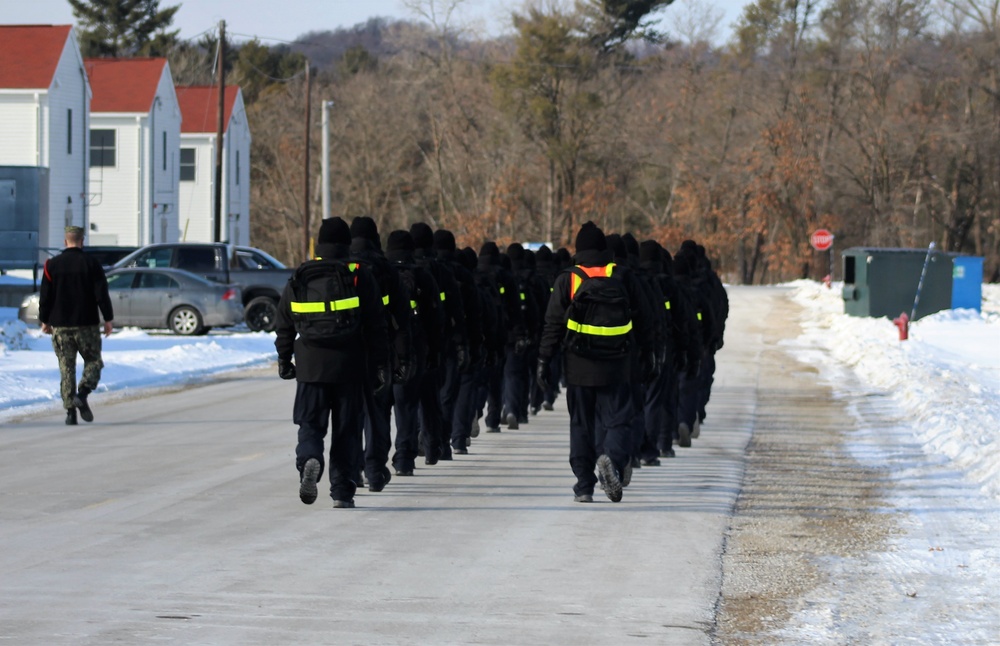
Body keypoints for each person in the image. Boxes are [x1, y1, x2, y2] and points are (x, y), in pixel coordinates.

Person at [274, 217, 389, 509]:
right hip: (350, 366)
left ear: (320, 244)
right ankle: (342, 491)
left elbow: (283, 322)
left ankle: (311, 458)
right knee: (347, 431)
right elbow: (377, 325)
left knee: (310, 425)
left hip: (311, 366)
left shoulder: (303, 274)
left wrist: (285, 358)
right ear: (346, 244)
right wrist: (378, 366)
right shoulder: (358, 274)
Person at [536, 221, 653, 503]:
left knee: (581, 424)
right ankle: (611, 461)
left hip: (578, 365)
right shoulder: (623, 276)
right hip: (618, 363)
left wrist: (544, 359)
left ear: (579, 250)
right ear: (603, 249)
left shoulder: (569, 278)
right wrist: (648, 353)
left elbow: (553, 324)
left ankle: (584, 485)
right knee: (618, 420)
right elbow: (646, 319)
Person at [38, 225, 114, 425]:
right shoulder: (91, 264)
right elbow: (101, 294)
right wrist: (108, 318)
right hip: (86, 323)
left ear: (65, 242)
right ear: (82, 241)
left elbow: (45, 297)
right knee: (94, 361)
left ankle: (70, 413)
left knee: (66, 367)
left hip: (61, 326)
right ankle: (83, 392)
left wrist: (45, 320)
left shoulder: (51, 265)